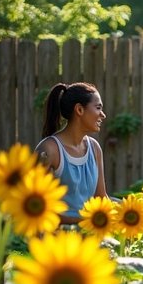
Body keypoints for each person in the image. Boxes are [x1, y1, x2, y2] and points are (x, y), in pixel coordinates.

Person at [35, 82, 108, 224]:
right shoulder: (49, 150)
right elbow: (39, 209)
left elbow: (101, 198)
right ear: (79, 110)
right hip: (57, 236)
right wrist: (87, 220)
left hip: (90, 233)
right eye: (98, 108)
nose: (103, 115)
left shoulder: (94, 148)